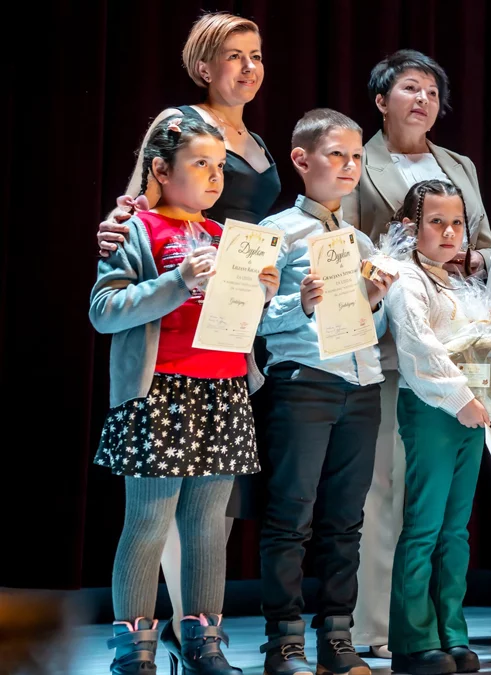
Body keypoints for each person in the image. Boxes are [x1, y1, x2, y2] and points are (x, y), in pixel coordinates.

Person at [92, 11, 282, 643]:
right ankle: (135, 641)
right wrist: (173, 276)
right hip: (162, 386)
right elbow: (106, 306)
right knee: (149, 519)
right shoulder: (142, 223)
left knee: (208, 523)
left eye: (218, 167)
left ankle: (203, 637)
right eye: (234, 55)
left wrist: (264, 292)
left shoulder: (226, 223)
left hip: (224, 381)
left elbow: (244, 304)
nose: (214, 176)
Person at [342, 50, 491, 658]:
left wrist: (470, 263)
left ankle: (438, 628)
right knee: (386, 492)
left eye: (431, 91)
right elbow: (349, 244)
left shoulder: (458, 164)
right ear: (382, 101)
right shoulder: (361, 160)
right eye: (410, 88)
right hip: (389, 340)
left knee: (445, 514)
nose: (423, 100)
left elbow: (482, 242)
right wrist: (391, 275)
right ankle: (381, 628)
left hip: (455, 334)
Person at [255, 109, 394, 675]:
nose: (349, 165)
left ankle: (337, 637)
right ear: (301, 159)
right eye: (337, 154)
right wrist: (301, 304)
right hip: (303, 383)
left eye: (356, 156)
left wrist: (375, 301)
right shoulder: (276, 232)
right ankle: (283, 643)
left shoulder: (358, 240)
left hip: (361, 384)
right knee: (291, 515)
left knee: (345, 520)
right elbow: (251, 319)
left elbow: (369, 327)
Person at [385, 180, 491, 675]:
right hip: (433, 410)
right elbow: (420, 348)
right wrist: (461, 400)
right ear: (409, 227)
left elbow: (463, 340)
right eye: (436, 222)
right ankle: (414, 639)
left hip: (468, 411)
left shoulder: (455, 280)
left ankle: (451, 632)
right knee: (424, 526)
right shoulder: (405, 277)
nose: (449, 232)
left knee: (455, 530)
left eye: (457, 222)